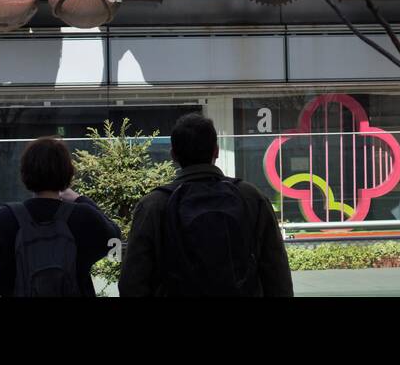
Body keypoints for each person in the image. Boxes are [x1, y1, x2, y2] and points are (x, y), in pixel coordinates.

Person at [119, 113, 293, 297]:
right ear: (216, 151)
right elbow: (277, 276)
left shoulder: (153, 205)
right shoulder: (251, 198)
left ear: (173, 155)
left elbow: (132, 282)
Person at [0, 136, 120, 297]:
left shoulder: (6, 218)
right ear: (68, 173)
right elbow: (114, 238)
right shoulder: (82, 216)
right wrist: (79, 199)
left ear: (25, 172)